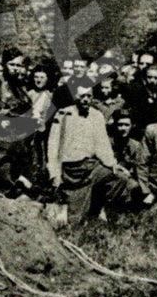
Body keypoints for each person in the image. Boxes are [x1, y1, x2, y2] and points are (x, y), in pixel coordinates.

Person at [46, 82, 130, 223]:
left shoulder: (96, 115)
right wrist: (54, 173)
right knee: (75, 221)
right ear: (75, 97)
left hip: (91, 167)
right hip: (71, 171)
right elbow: (53, 145)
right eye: (82, 96)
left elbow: (102, 144)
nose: (85, 100)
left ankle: (98, 209)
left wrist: (113, 164)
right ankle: (81, 213)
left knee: (120, 178)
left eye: (88, 96)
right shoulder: (63, 114)